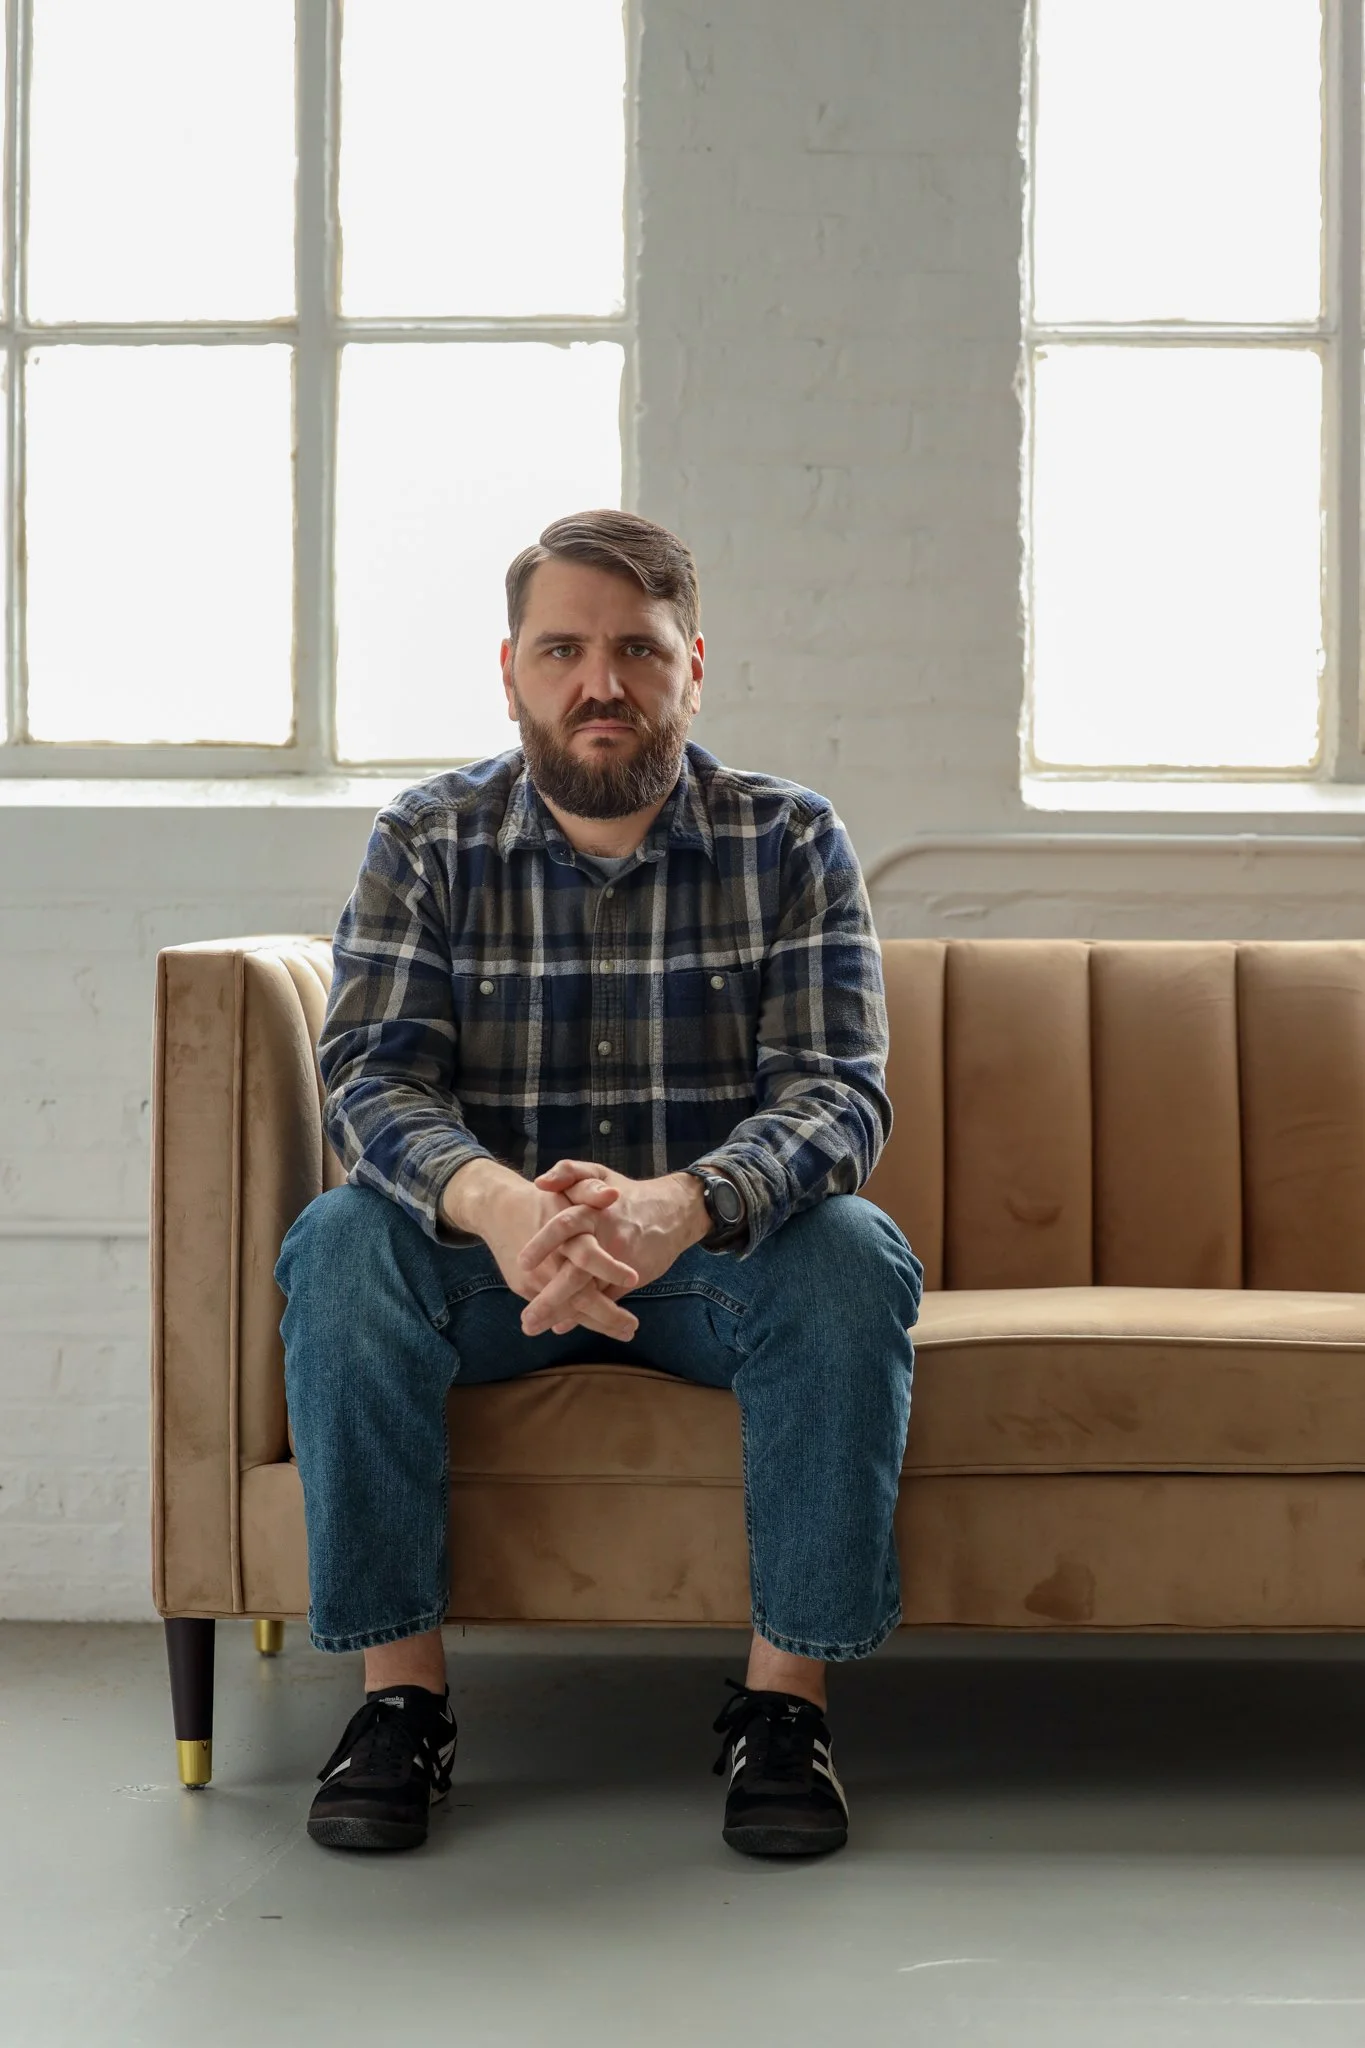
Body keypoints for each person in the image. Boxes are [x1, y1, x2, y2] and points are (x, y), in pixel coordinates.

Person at [275, 508, 924, 1859]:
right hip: (483, 1271)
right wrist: (509, 1207)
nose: (601, 682)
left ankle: (783, 1704)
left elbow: (837, 1097)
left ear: (696, 666)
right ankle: (403, 1704)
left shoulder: (792, 839)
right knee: (341, 1244)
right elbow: (373, 1081)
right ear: (510, 668)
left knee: (852, 1249)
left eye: (638, 647)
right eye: (564, 648)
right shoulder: (427, 839)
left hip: (712, 1270)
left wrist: (676, 1202)